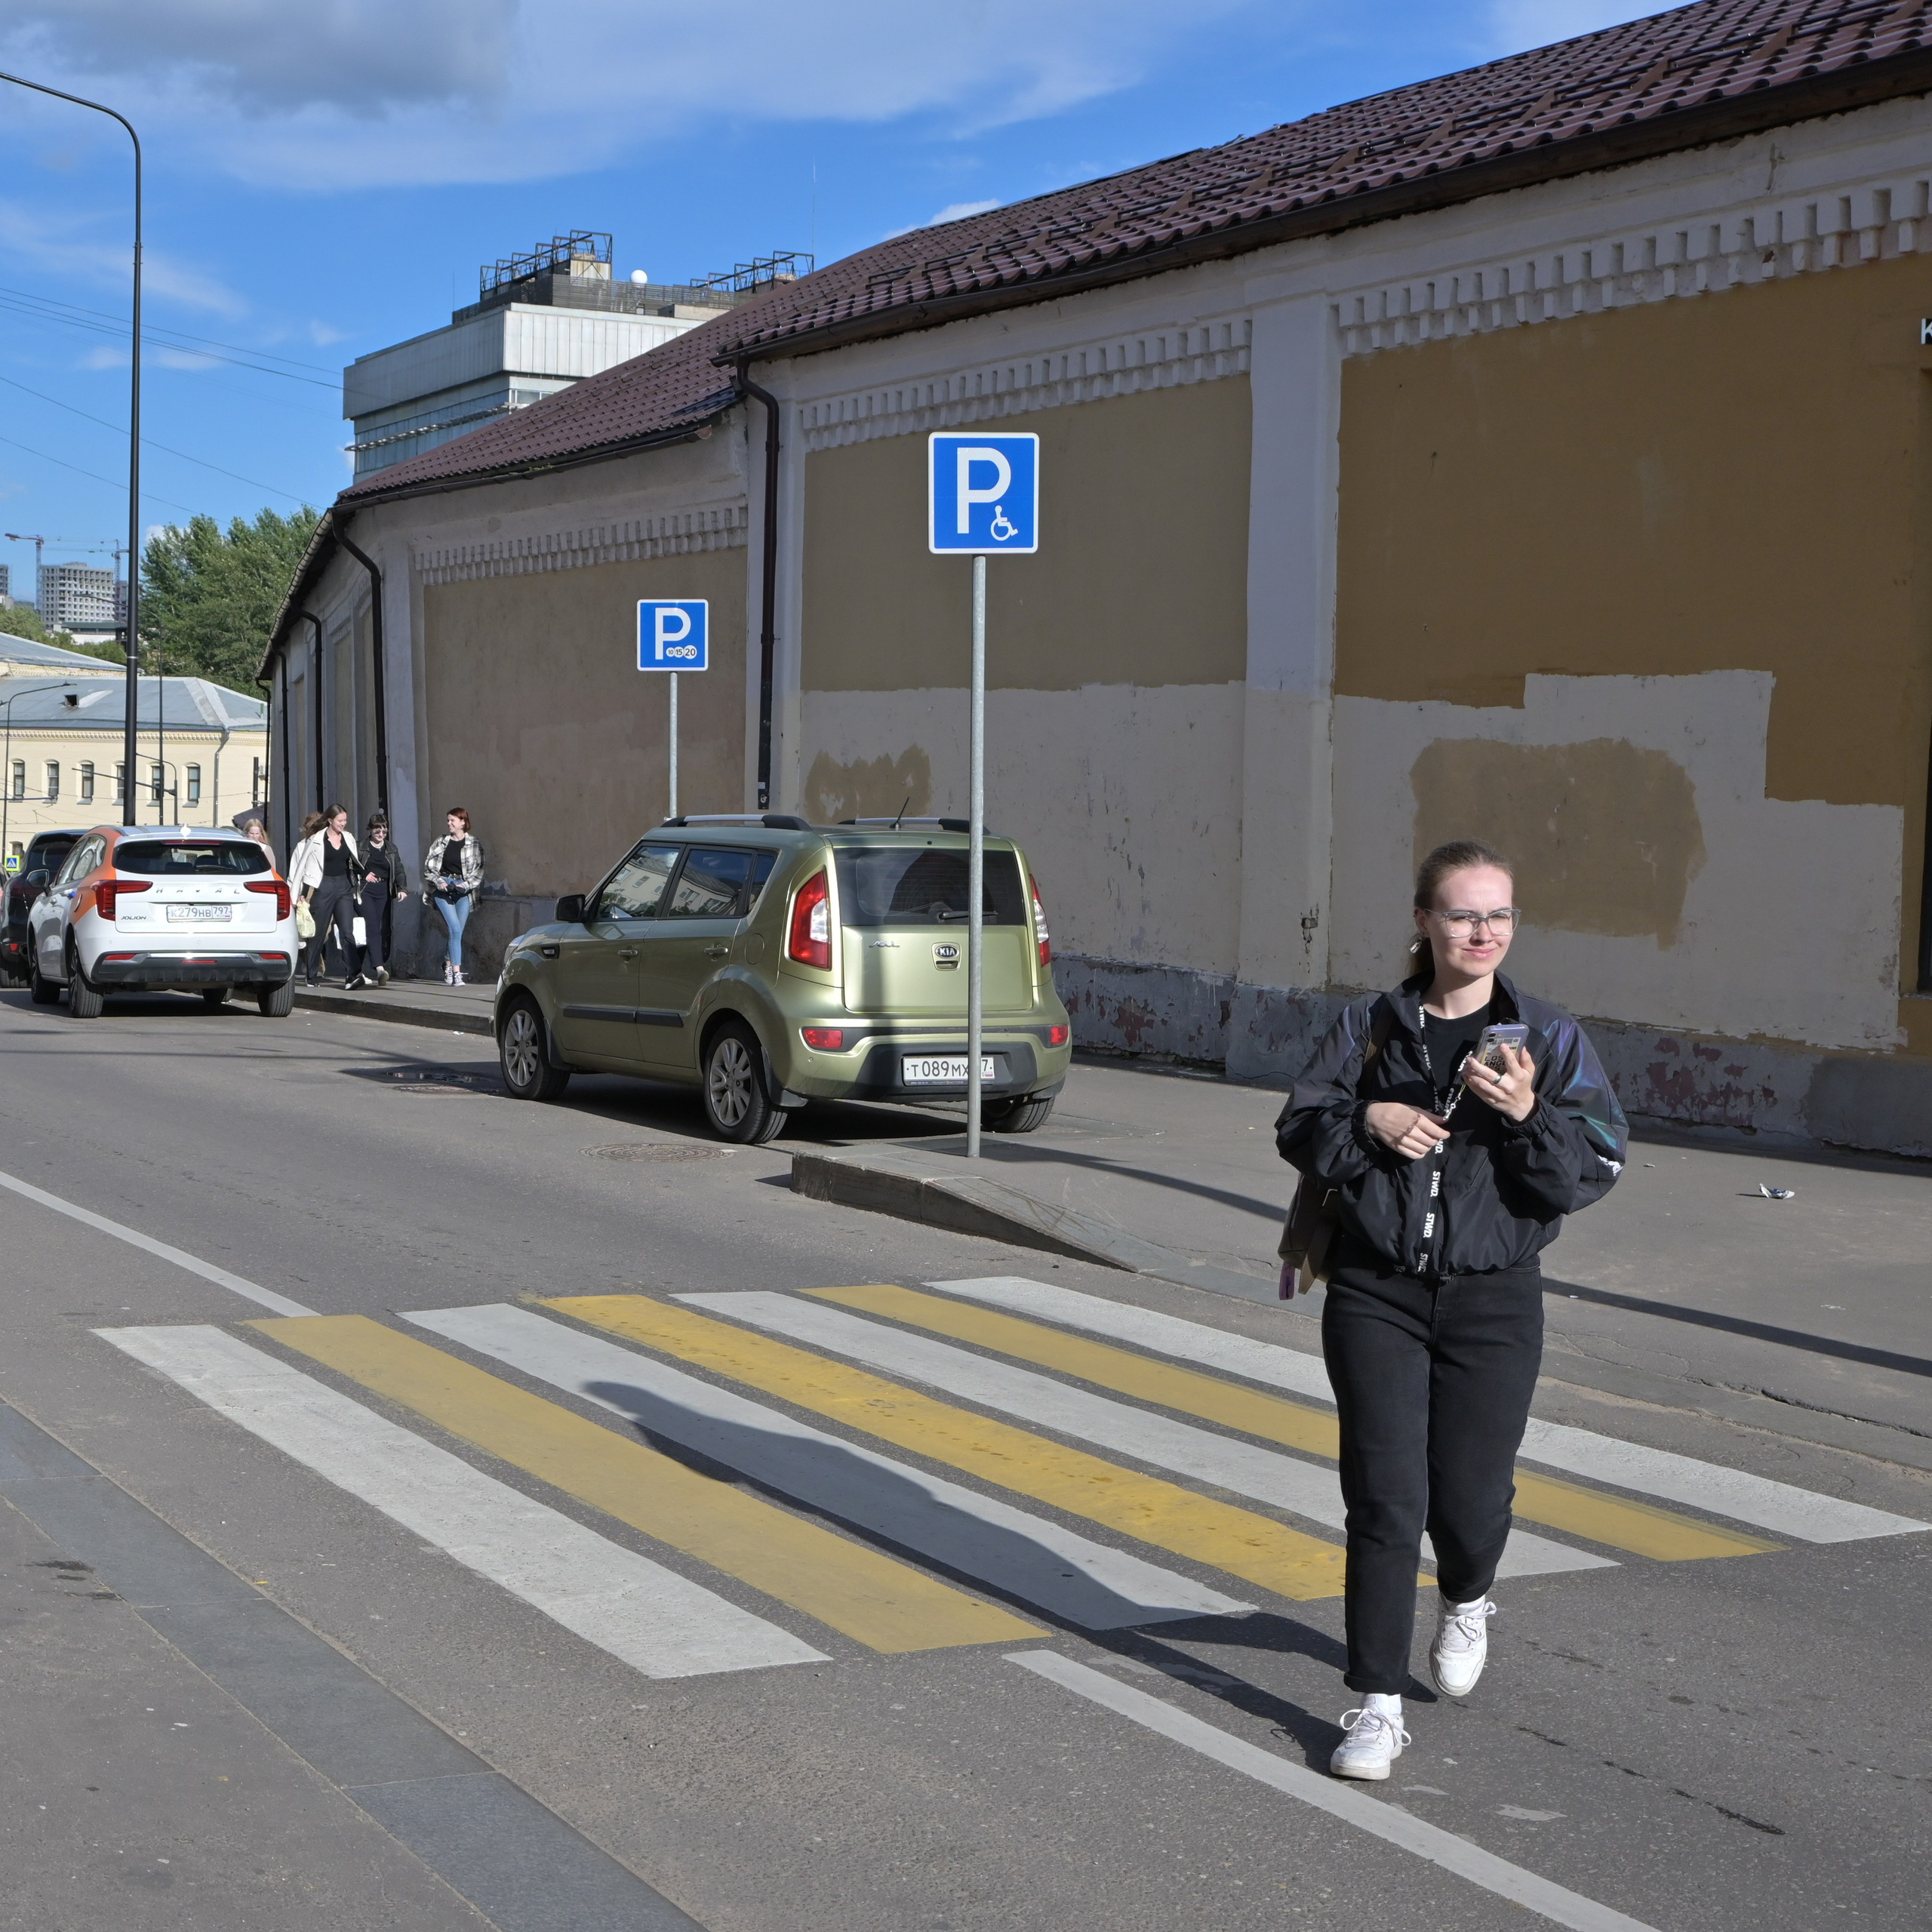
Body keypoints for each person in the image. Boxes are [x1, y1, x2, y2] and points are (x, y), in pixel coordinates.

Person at [1275, 839, 1626, 1783]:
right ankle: (1376, 1704)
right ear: (1424, 920)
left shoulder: (1548, 1037)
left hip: (1495, 1298)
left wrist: (1525, 1113)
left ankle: (1467, 1596)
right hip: (1375, 1290)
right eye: (1464, 914)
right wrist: (1369, 1120)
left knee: (1470, 1502)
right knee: (1383, 1498)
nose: (1482, 931)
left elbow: (1593, 1166)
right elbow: (1299, 1125)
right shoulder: (1368, 1025)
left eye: (1498, 914)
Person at [288, 804, 361, 989]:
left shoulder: (348, 838)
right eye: (340, 821)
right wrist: (300, 894)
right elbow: (303, 868)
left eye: (345, 820)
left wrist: (364, 875)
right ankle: (311, 975)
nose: (343, 824)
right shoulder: (316, 840)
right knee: (318, 933)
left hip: (344, 887)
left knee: (347, 932)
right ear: (330, 820)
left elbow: (355, 862)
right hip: (323, 887)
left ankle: (352, 975)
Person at [423, 808, 481, 986]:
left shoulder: (474, 844)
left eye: (452, 820)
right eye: (448, 820)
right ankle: (457, 974)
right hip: (443, 888)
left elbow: (479, 871)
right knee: (455, 929)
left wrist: (466, 885)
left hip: (463, 890)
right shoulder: (441, 842)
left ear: (463, 822)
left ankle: (447, 964)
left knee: (457, 932)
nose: (449, 823)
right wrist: (438, 881)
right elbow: (428, 867)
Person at [350, 811, 408, 988]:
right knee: (372, 927)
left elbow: (399, 869)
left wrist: (402, 888)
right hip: (365, 890)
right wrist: (364, 874)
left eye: (384, 831)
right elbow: (351, 866)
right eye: (377, 830)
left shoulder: (391, 849)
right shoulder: (361, 847)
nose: (381, 834)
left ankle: (354, 970)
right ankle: (380, 969)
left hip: (384, 891)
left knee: (378, 930)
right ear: (370, 829)